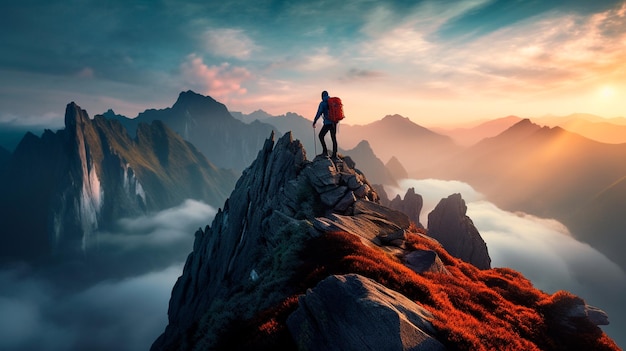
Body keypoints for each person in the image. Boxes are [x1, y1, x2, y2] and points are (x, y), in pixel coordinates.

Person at [312, 90, 337, 158]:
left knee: (321, 136)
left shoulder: (322, 103)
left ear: (322, 96)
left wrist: (315, 121)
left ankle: (325, 152)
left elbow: (319, 113)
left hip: (327, 123)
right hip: (334, 123)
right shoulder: (332, 102)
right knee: (333, 138)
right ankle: (335, 155)